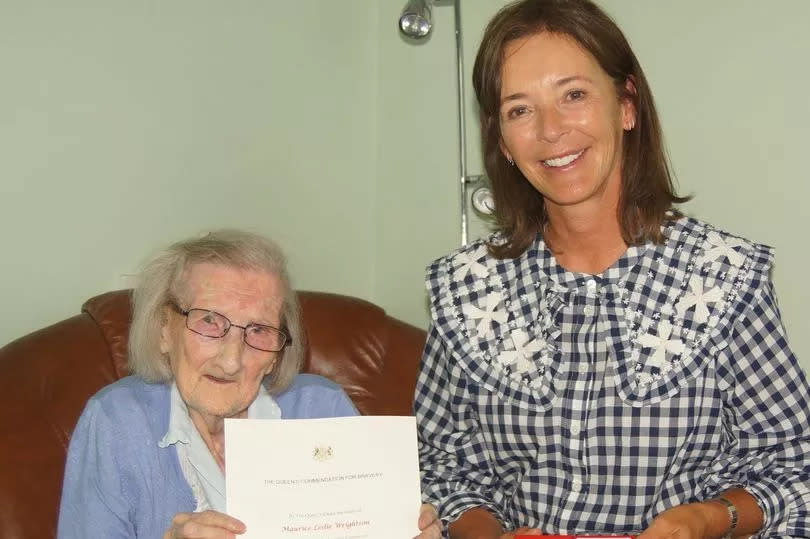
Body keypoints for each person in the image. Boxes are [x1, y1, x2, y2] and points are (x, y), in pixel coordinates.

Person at [413, 1, 810, 538]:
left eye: (573, 95)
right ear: (502, 142)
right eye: (520, 110)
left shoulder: (724, 279)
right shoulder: (467, 290)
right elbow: (440, 465)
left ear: (627, 105)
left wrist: (703, 519)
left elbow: (795, 469)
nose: (551, 130)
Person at [58, 229, 440, 538]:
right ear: (163, 329)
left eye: (258, 330)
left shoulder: (322, 409)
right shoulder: (116, 421)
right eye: (209, 322)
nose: (231, 359)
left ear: (277, 350)